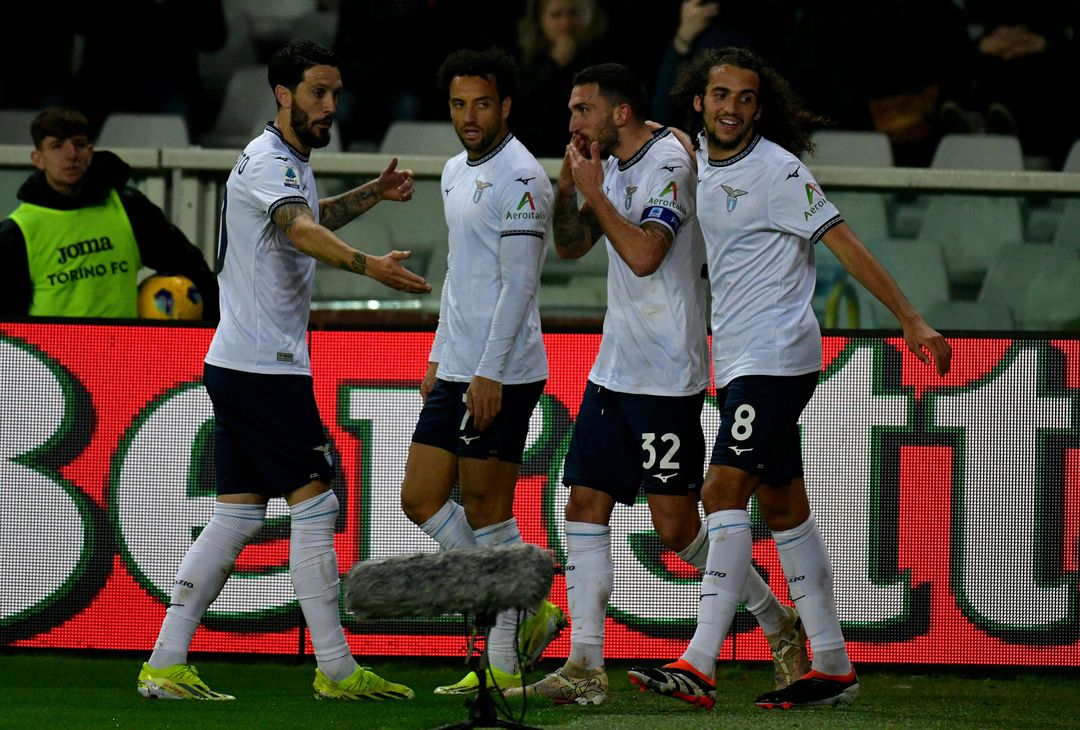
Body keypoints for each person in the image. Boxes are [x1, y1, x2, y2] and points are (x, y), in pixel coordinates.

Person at [628, 46, 952, 710]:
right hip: (742, 357)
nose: (732, 108)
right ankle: (831, 665)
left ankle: (700, 660)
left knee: (721, 491)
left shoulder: (778, 170)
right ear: (700, 102)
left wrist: (910, 318)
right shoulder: (698, 164)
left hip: (778, 355)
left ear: (760, 107)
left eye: (746, 98)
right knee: (782, 510)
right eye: (721, 95)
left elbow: (845, 241)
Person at [504, 63, 808, 708]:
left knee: (675, 528)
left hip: (667, 375)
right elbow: (571, 246)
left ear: (619, 112)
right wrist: (570, 188)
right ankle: (585, 662)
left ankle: (775, 618)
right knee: (583, 506)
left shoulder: (670, 160)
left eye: (582, 109)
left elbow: (646, 255)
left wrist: (597, 189)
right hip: (612, 368)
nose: (572, 122)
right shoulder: (609, 162)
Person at [136, 40, 430, 702]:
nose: (331, 105)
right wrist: (370, 266)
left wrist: (372, 195)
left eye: (336, 92)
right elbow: (299, 231)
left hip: (244, 362)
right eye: (318, 93)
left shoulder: (286, 161)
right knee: (318, 503)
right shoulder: (271, 161)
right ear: (283, 94)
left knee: (237, 517)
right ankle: (336, 668)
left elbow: (305, 218)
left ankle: (164, 662)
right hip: (263, 368)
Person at [398, 46, 565, 696]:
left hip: (504, 371)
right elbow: (460, 276)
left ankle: (498, 666)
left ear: (507, 106)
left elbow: (519, 285)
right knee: (420, 497)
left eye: (483, 103)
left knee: (490, 514)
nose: (470, 116)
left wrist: (489, 372)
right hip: (461, 366)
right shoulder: (451, 171)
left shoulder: (524, 178)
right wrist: (442, 355)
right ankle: (531, 609)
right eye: (459, 104)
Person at [0, 106, 219, 319]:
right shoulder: (18, 233)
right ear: (37, 158)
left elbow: (191, 267)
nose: (71, 155)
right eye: (57, 146)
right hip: (47, 356)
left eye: (79, 144)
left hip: (121, 353)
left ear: (90, 151)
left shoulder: (129, 208)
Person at [513, 0, 608, 157]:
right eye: (556, 16)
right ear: (540, 20)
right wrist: (554, 64)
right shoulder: (524, 61)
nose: (566, 23)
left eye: (572, 14)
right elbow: (522, 108)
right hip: (538, 155)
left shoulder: (595, 56)